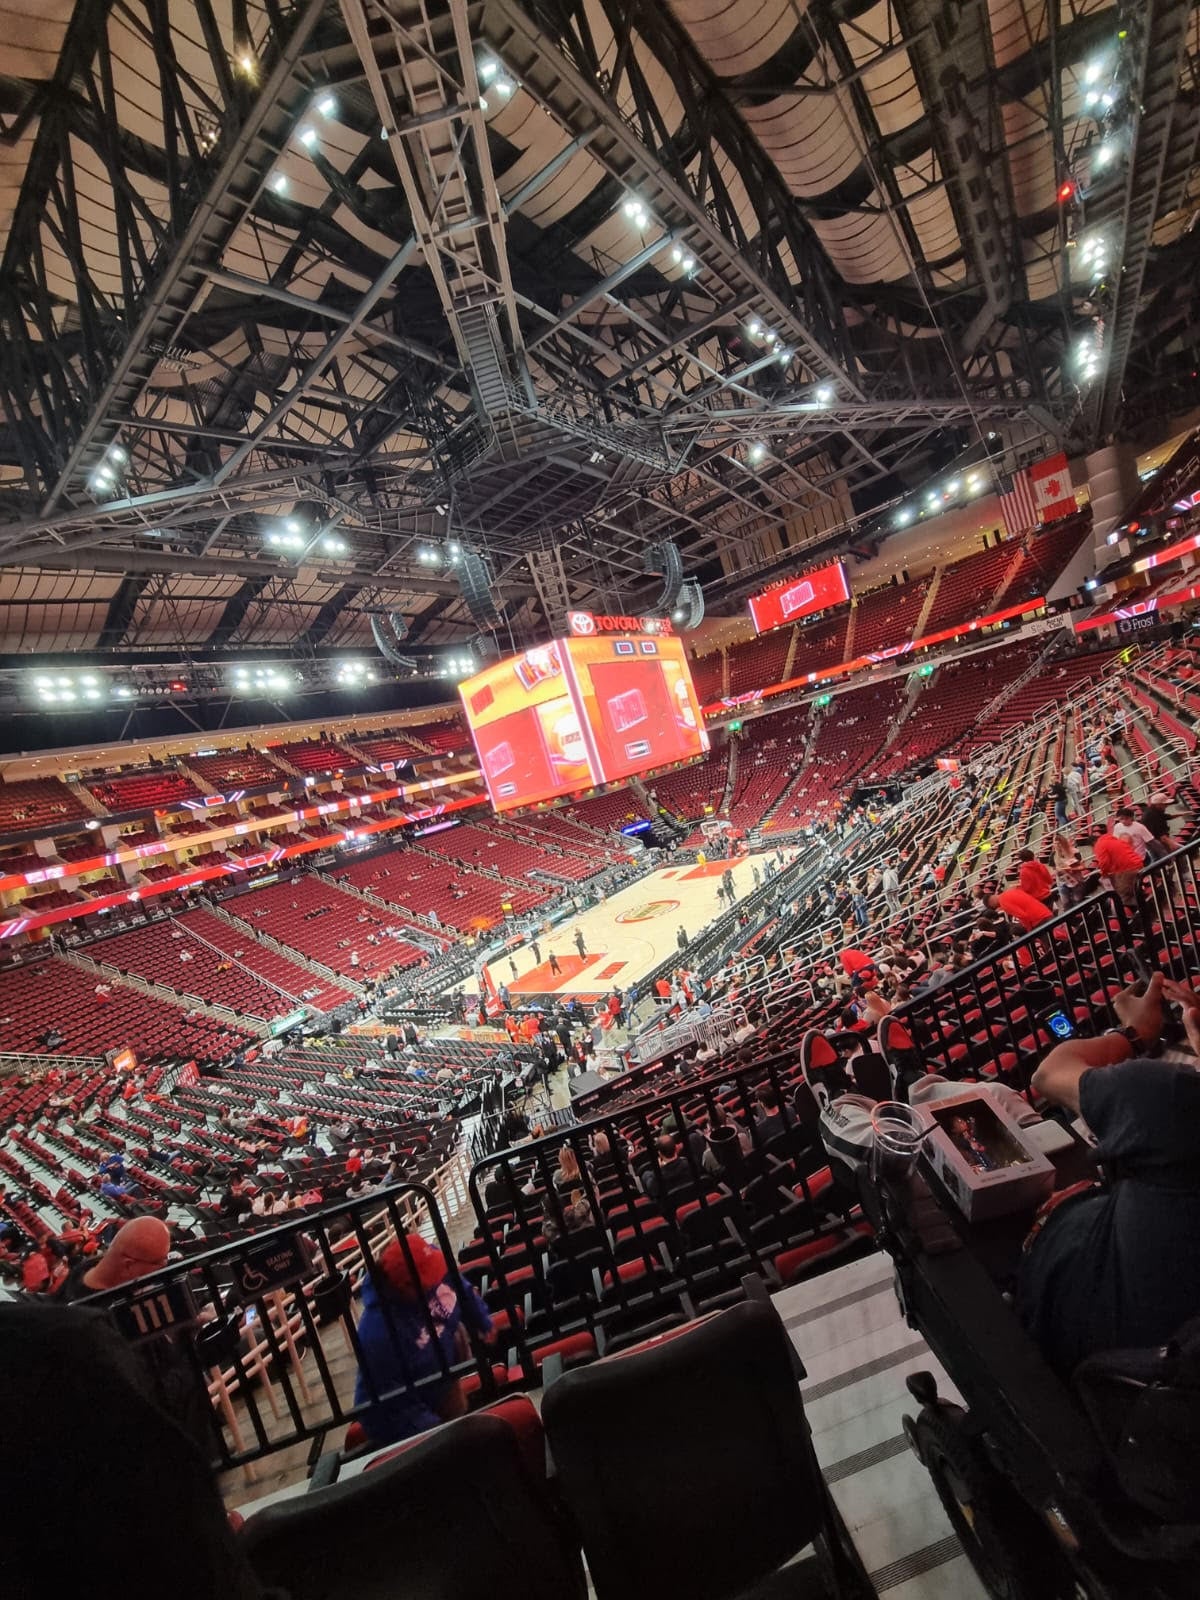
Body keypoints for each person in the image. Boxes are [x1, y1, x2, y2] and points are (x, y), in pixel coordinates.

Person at [1017, 974, 1200, 1375]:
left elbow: (1049, 1074)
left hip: (1072, 1342)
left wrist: (1136, 1033)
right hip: (1158, 1396)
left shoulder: (1169, 1098)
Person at [353, 1233, 492, 1445]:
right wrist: (435, 1434)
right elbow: (384, 1411)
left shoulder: (425, 1258)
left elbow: (456, 1281)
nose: (437, 1280)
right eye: (429, 1280)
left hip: (443, 1368)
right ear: (406, 1288)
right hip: (420, 1403)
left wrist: (480, 1318)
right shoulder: (377, 1334)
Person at [1088, 827, 1143, 908]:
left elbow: (1104, 863)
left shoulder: (1099, 845)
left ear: (1092, 844)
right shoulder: (1113, 840)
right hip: (1137, 865)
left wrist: (1103, 873)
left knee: (1124, 896)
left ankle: (1135, 915)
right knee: (1133, 891)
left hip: (1127, 869)